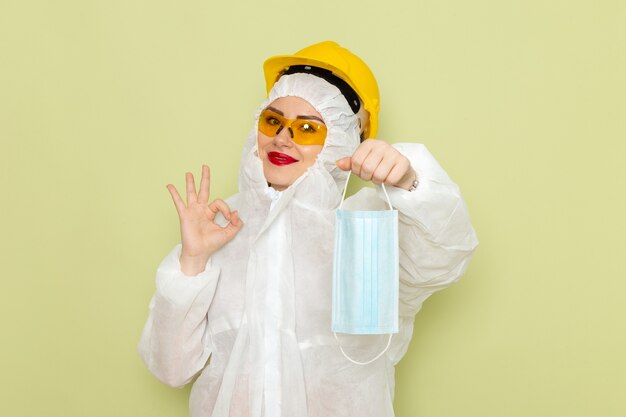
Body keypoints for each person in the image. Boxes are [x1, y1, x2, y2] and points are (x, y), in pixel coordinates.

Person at [138, 41, 478, 417]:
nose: (283, 138)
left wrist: (410, 181)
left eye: (307, 128)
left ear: (342, 140)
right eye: (273, 121)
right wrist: (193, 260)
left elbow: (446, 254)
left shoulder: (369, 231)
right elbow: (171, 369)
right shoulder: (218, 228)